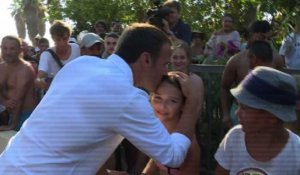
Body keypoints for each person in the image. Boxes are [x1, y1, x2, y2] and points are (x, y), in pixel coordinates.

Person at [0, 23, 201, 175]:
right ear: (146, 59)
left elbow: (74, 137)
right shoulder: (128, 97)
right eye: (165, 63)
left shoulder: (80, 64)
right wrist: (193, 101)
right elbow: (172, 157)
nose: (167, 72)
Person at [215, 66, 300, 175]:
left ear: (271, 117)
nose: (237, 113)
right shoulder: (235, 137)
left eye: (244, 108)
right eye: (238, 106)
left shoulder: (296, 153)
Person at [221, 20, 285, 129]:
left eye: (267, 38)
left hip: (266, 114)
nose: (264, 41)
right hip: (240, 113)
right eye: (261, 37)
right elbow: (224, 87)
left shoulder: (277, 59)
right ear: (251, 36)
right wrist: (226, 114)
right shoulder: (236, 60)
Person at [142, 75, 201, 175]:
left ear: (183, 105)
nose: (162, 106)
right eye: (158, 98)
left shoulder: (188, 145)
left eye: (172, 101)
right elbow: (153, 162)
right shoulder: (158, 130)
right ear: (150, 98)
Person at [0, 35, 37, 131]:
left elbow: (18, 101)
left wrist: (12, 125)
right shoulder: (1, 67)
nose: (8, 52)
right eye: (5, 48)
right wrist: (4, 101)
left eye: (12, 49)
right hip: (9, 114)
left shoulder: (25, 69)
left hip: (25, 115)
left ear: (20, 50)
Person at [35, 20, 80, 91]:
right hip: (57, 93)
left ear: (69, 35)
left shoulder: (76, 48)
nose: (62, 43)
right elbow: (40, 76)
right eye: (58, 39)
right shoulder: (46, 55)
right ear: (53, 38)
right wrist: (40, 81)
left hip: (75, 90)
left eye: (65, 38)